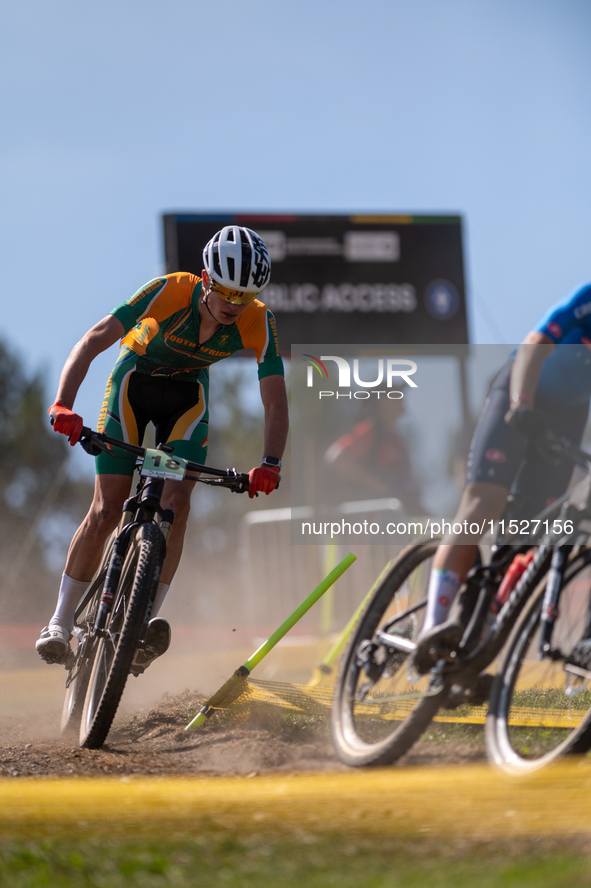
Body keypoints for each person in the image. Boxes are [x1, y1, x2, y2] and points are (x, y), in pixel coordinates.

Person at [36, 226, 289, 670]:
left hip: (186, 397)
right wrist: (64, 403)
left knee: (178, 503)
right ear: (207, 278)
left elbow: (274, 398)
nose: (233, 304)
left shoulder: (259, 320)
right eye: (227, 290)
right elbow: (95, 338)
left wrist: (269, 462)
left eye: (244, 296)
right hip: (133, 383)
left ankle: (142, 622)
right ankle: (58, 621)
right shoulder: (170, 290)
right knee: (107, 508)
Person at [414, 282, 591, 672]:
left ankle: (481, 636)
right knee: (484, 503)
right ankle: (433, 627)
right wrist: (522, 406)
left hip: (568, 414)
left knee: (533, 535)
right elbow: (534, 345)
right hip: (521, 388)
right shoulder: (587, 299)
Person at [323, 391, 423, 514]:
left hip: (402, 510)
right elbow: (335, 457)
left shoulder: (397, 438)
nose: (401, 397)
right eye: (395, 394)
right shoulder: (371, 431)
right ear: (383, 402)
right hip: (377, 516)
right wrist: (377, 484)